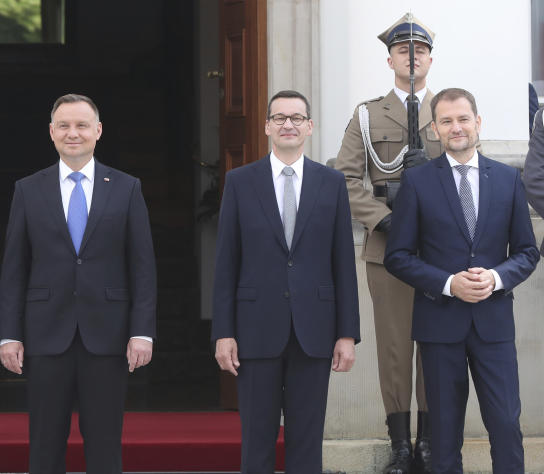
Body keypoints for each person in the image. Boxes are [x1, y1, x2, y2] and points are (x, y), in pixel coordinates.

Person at [0, 93, 157, 473]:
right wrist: (9, 334)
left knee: (104, 445)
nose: (73, 133)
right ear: (51, 132)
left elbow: (143, 267)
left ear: (98, 131)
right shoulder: (28, 189)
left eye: (82, 125)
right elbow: (14, 268)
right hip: (45, 334)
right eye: (64, 126)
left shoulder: (126, 187)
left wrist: (142, 332)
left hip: (108, 335)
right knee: (45, 445)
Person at [385, 88, 539, 472]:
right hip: (439, 326)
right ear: (435, 129)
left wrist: (497, 277)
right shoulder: (418, 183)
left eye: (463, 119)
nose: (457, 127)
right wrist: (448, 283)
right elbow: (397, 257)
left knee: (506, 426)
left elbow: (527, 251)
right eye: (447, 121)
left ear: (478, 122)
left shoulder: (507, 179)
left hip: (494, 325)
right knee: (443, 434)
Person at [213, 90, 360, 472]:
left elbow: (342, 261)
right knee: (257, 440)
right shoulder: (240, 182)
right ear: (266, 127)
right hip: (255, 330)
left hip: (314, 331)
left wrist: (347, 333)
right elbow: (227, 262)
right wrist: (223, 332)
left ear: (310, 126)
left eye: (296, 117)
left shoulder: (331, 183)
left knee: (307, 442)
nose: (288, 124)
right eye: (279, 117)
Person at [332, 13, 441, 472]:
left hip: (441, 251)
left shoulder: (448, 111)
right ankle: (400, 443)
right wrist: (386, 222)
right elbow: (345, 178)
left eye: (419, 50)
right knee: (395, 347)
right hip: (389, 247)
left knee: (437, 345)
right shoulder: (367, 114)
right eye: (403, 50)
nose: (411, 57)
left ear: (430, 59)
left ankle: (432, 441)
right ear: (390, 58)